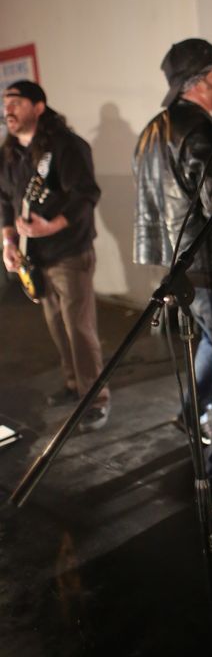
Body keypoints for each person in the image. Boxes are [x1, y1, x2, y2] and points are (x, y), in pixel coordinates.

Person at [133, 38, 212, 510]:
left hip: (182, 270)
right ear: (201, 80)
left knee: (211, 340)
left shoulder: (153, 130)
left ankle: (189, 417)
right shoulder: (203, 131)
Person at [0, 80, 110, 432]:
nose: (8, 110)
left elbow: (86, 194)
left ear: (38, 107)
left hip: (69, 252)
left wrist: (52, 226)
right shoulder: (9, 153)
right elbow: (5, 202)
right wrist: (8, 242)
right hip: (34, 257)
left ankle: (96, 399)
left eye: (16, 102)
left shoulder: (66, 146)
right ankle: (73, 384)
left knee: (79, 328)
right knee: (57, 326)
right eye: (5, 103)